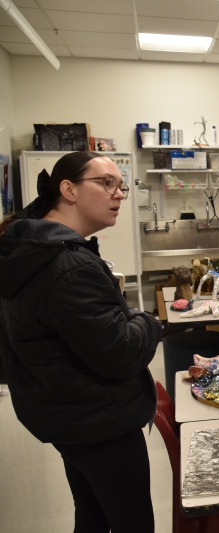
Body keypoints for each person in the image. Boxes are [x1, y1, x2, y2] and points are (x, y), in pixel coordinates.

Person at [0, 152, 161, 532]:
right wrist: (148, 320)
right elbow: (122, 353)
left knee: (92, 515)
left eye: (121, 185)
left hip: (67, 416)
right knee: (131, 522)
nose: (118, 193)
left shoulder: (23, 249)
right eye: (106, 183)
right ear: (68, 189)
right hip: (102, 423)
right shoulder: (69, 265)